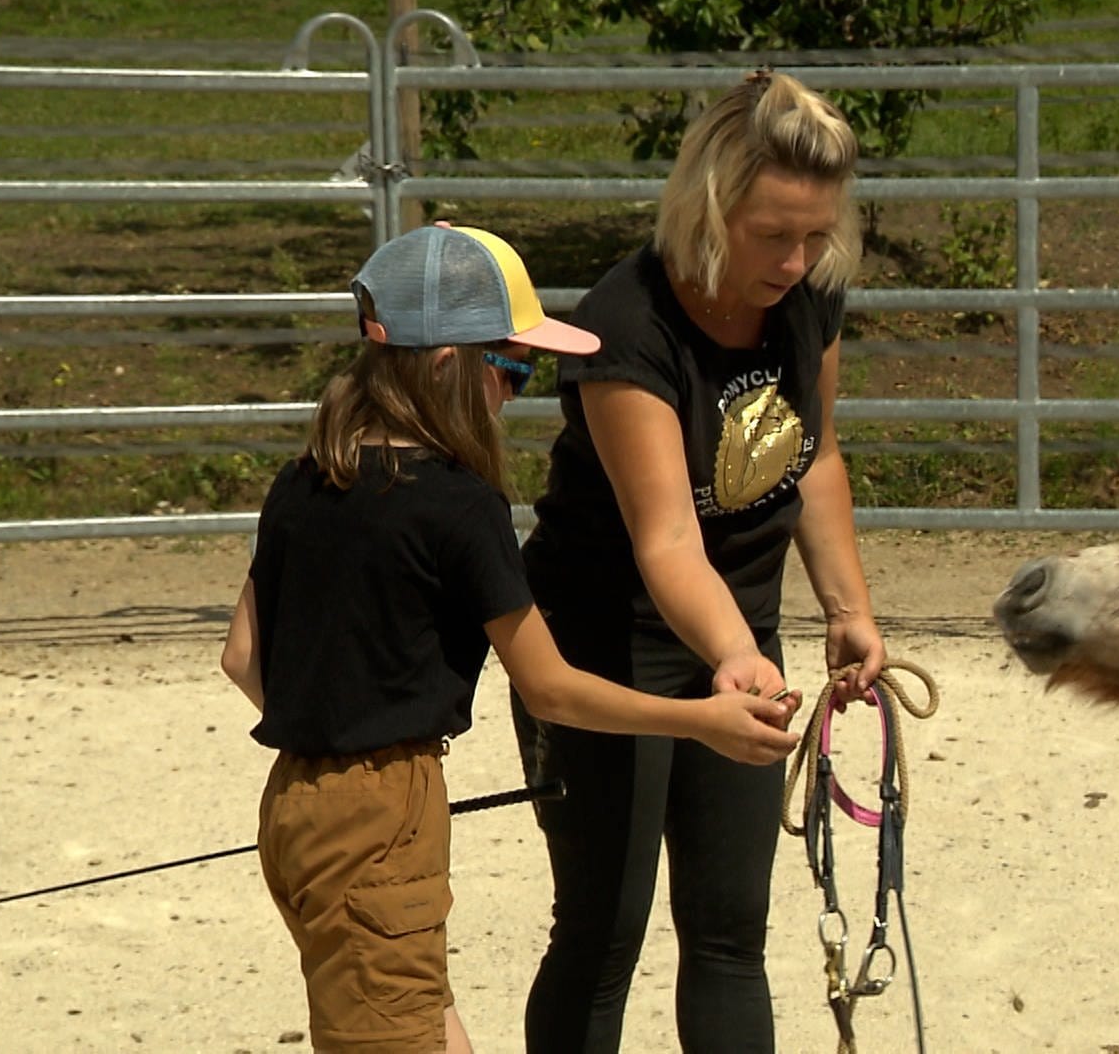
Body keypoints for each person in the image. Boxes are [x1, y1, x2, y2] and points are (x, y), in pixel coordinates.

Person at [220, 223, 802, 1054]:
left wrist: (333, 740)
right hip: (386, 814)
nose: (519, 392)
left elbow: (242, 655)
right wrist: (702, 722)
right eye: (514, 366)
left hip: (294, 804)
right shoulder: (460, 505)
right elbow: (551, 689)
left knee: (427, 1024)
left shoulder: (308, 475)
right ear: (450, 366)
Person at [510, 71, 887, 1052]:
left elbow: (819, 456)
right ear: (711, 206)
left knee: (729, 935)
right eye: (774, 235)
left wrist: (847, 606)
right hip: (604, 642)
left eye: (816, 235)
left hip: (736, 630)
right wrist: (734, 655)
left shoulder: (810, 299)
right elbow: (667, 536)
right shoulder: (624, 330)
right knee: (603, 933)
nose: (797, 260)